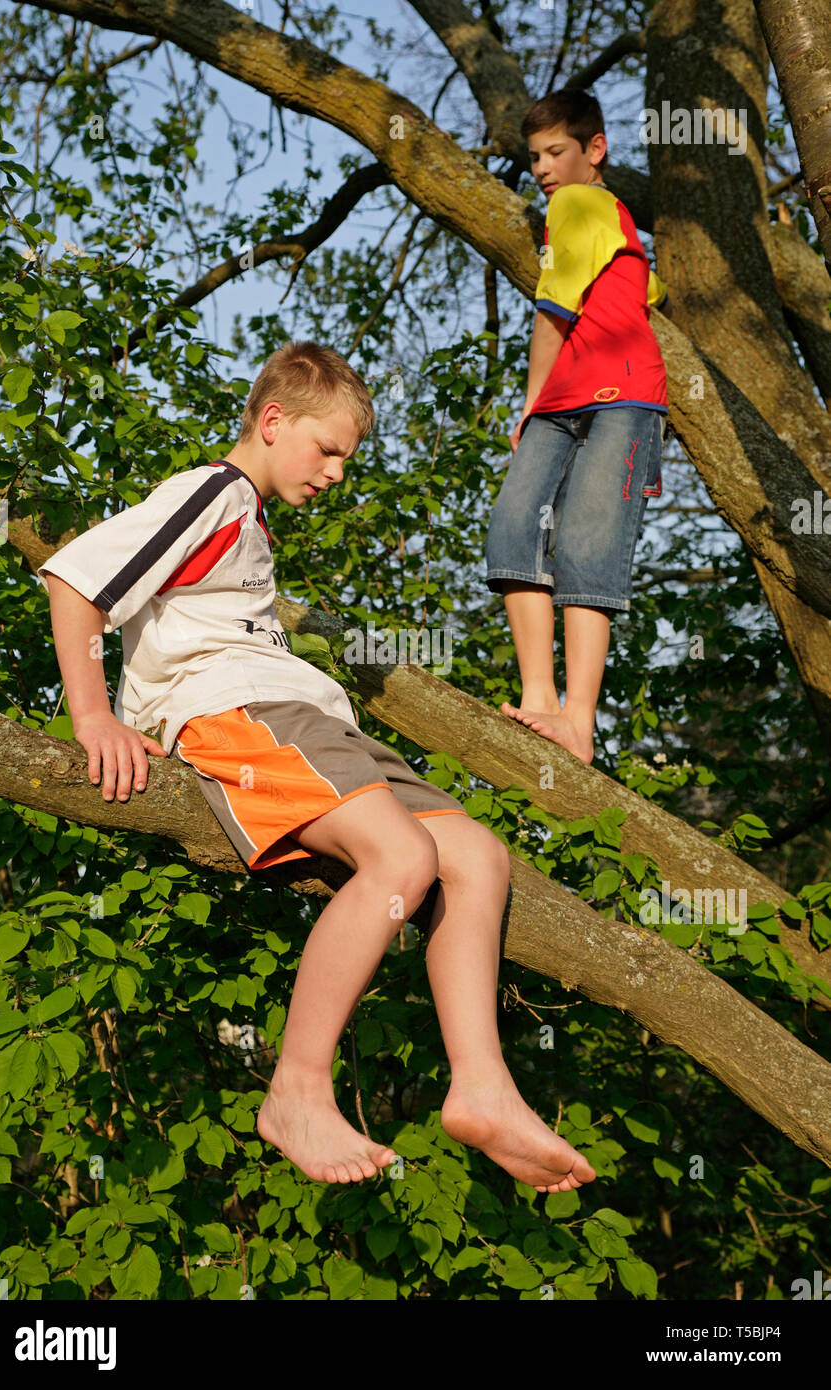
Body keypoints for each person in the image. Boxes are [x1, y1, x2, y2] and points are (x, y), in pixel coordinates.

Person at [39, 340, 596, 1195]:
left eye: (348, 458)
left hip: (309, 719)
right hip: (240, 712)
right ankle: (296, 1089)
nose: (337, 472)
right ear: (271, 421)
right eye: (327, 449)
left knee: (478, 857)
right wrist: (92, 716)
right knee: (402, 858)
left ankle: (483, 1086)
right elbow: (79, 581)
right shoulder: (213, 491)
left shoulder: (246, 523)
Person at [485, 89, 670, 764]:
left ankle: (576, 718)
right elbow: (640, 288)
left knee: (586, 540)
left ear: (595, 150)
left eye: (555, 151)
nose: (541, 167)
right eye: (533, 156)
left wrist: (530, 399)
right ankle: (540, 701)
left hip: (619, 396)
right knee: (514, 529)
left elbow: (553, 311)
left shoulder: (579, 202)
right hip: (574, 396)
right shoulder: (604, 219)